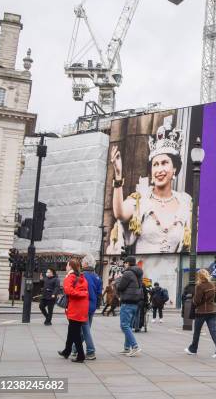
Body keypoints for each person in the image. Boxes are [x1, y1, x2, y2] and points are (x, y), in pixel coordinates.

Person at [109, 118, 193, 298]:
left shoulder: (185, 203)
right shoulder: (141, 199)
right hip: (140, 279)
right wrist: (117, 176)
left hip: (171, 279)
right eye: (155, 164)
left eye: (165, 163)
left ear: (175, 169)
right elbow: (120, 214)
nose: (159, 169)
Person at [184, 269, 216, 358]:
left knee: (197, 331)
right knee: (213, 331)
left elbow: (197, 300)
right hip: (212, 311)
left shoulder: (199, 286)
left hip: (201, 312)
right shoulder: (212, 285)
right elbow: (215, 297)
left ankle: (193, 349)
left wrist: (193, 301)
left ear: (199, 276)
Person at [57, 259, 89, 363]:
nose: (66, 267)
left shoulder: (70, 277)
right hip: (82, 306)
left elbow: (68, 291)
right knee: (72, 330)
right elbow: (84, 290)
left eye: (67, 265)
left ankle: (80, 355)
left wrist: (82, 294)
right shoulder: (82, 277)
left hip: (75, 307)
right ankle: (67, 351)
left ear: (70, 266)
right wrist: (83, 293)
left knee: (75, 332)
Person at [72, 254, 102, 360]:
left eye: (83, 262)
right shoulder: (97, 277)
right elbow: (99, 293)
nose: (81, 263)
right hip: (92, 306)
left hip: (83, 305)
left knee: (85, 330)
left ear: (86, 263)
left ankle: (90, 351)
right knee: (85, 328)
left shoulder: (82, 275)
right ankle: (74, 349)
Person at [114, 255, 143, 357]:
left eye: (125, 263)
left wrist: (117, 280)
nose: (124, 265)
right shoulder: (138, 273)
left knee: (124, 325)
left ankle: (135, 347)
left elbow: (120, 287)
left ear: (128, 263)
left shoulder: (127, 273)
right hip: (135, 303)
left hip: (127, 302)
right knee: (128, 326)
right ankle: (127, 348)